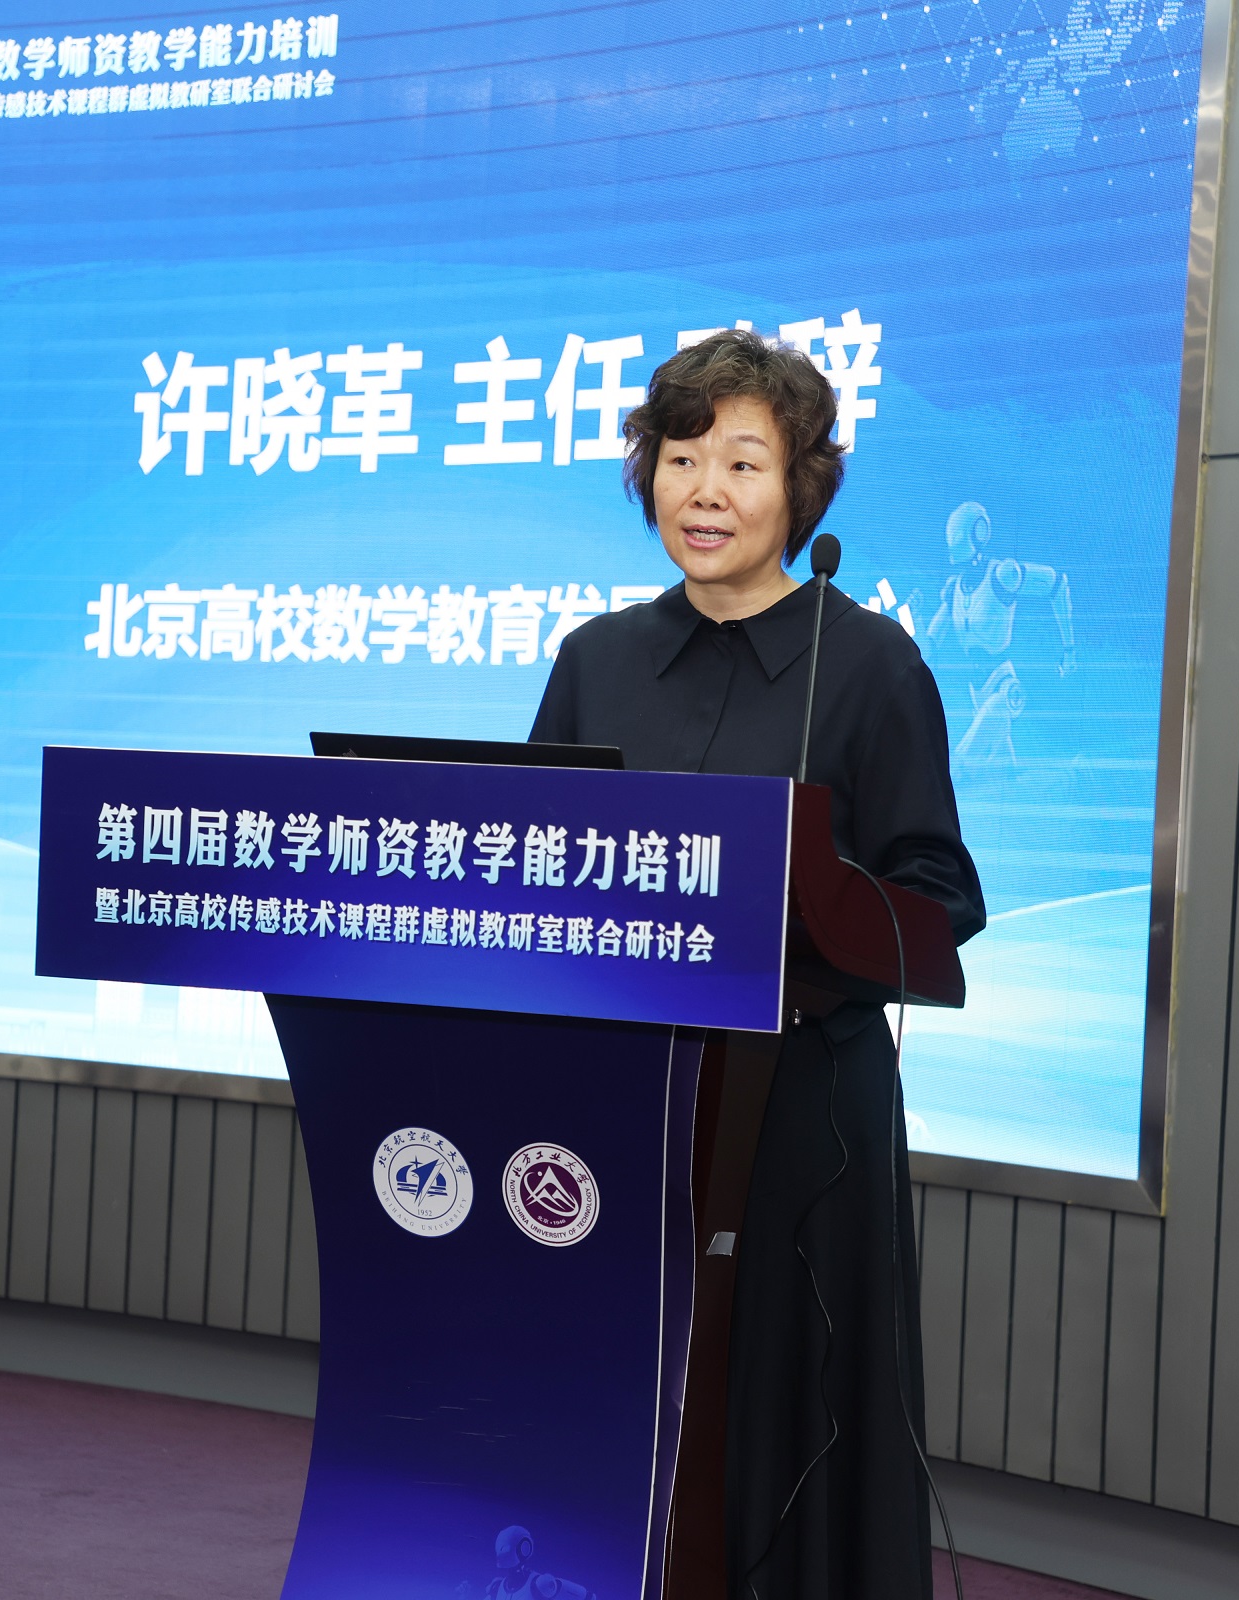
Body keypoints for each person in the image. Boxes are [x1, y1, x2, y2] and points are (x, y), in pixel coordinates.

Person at [529, 328, 984, 1598]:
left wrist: (804, 917)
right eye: (681, 459)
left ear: (800, 488)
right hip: (621, 1111)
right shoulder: (596, 660)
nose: (706, 491)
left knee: (784, 1418)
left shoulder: (871, 664)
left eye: (742, 461)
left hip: (800, 1121)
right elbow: (534, 863)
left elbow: (938, 894)